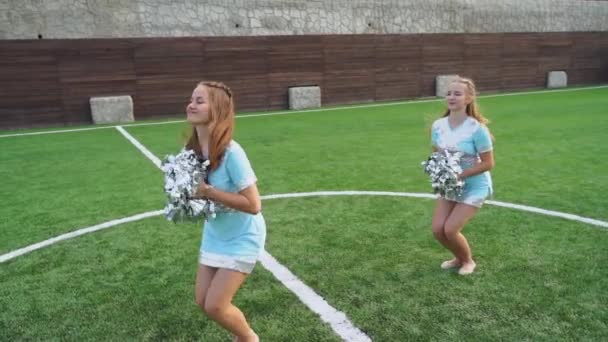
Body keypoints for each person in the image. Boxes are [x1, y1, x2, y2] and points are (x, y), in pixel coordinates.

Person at [186, 81, 264, 341]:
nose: (191, 105)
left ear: (216, 110)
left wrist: (208, 191)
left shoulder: (232, 153)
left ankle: (249, 338)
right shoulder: (191, 152)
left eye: (200, 101)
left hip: (243, 236)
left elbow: (254, 205)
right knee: (202, 300)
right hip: (215, 234)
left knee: (215, 305)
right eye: (192, 99)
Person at [429, 76, 495, 275]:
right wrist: (440, 172)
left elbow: (489, 163)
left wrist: (460, 174)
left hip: (475, 185)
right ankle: (457, 257)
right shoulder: (438, 125)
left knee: (450, 229)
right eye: (449, 93)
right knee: (438, 230)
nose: (451, 97)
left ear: (468, 98)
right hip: (450, 185)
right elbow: (437, 154)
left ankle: (467, 261)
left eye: (457, 94)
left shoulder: (477, 129)